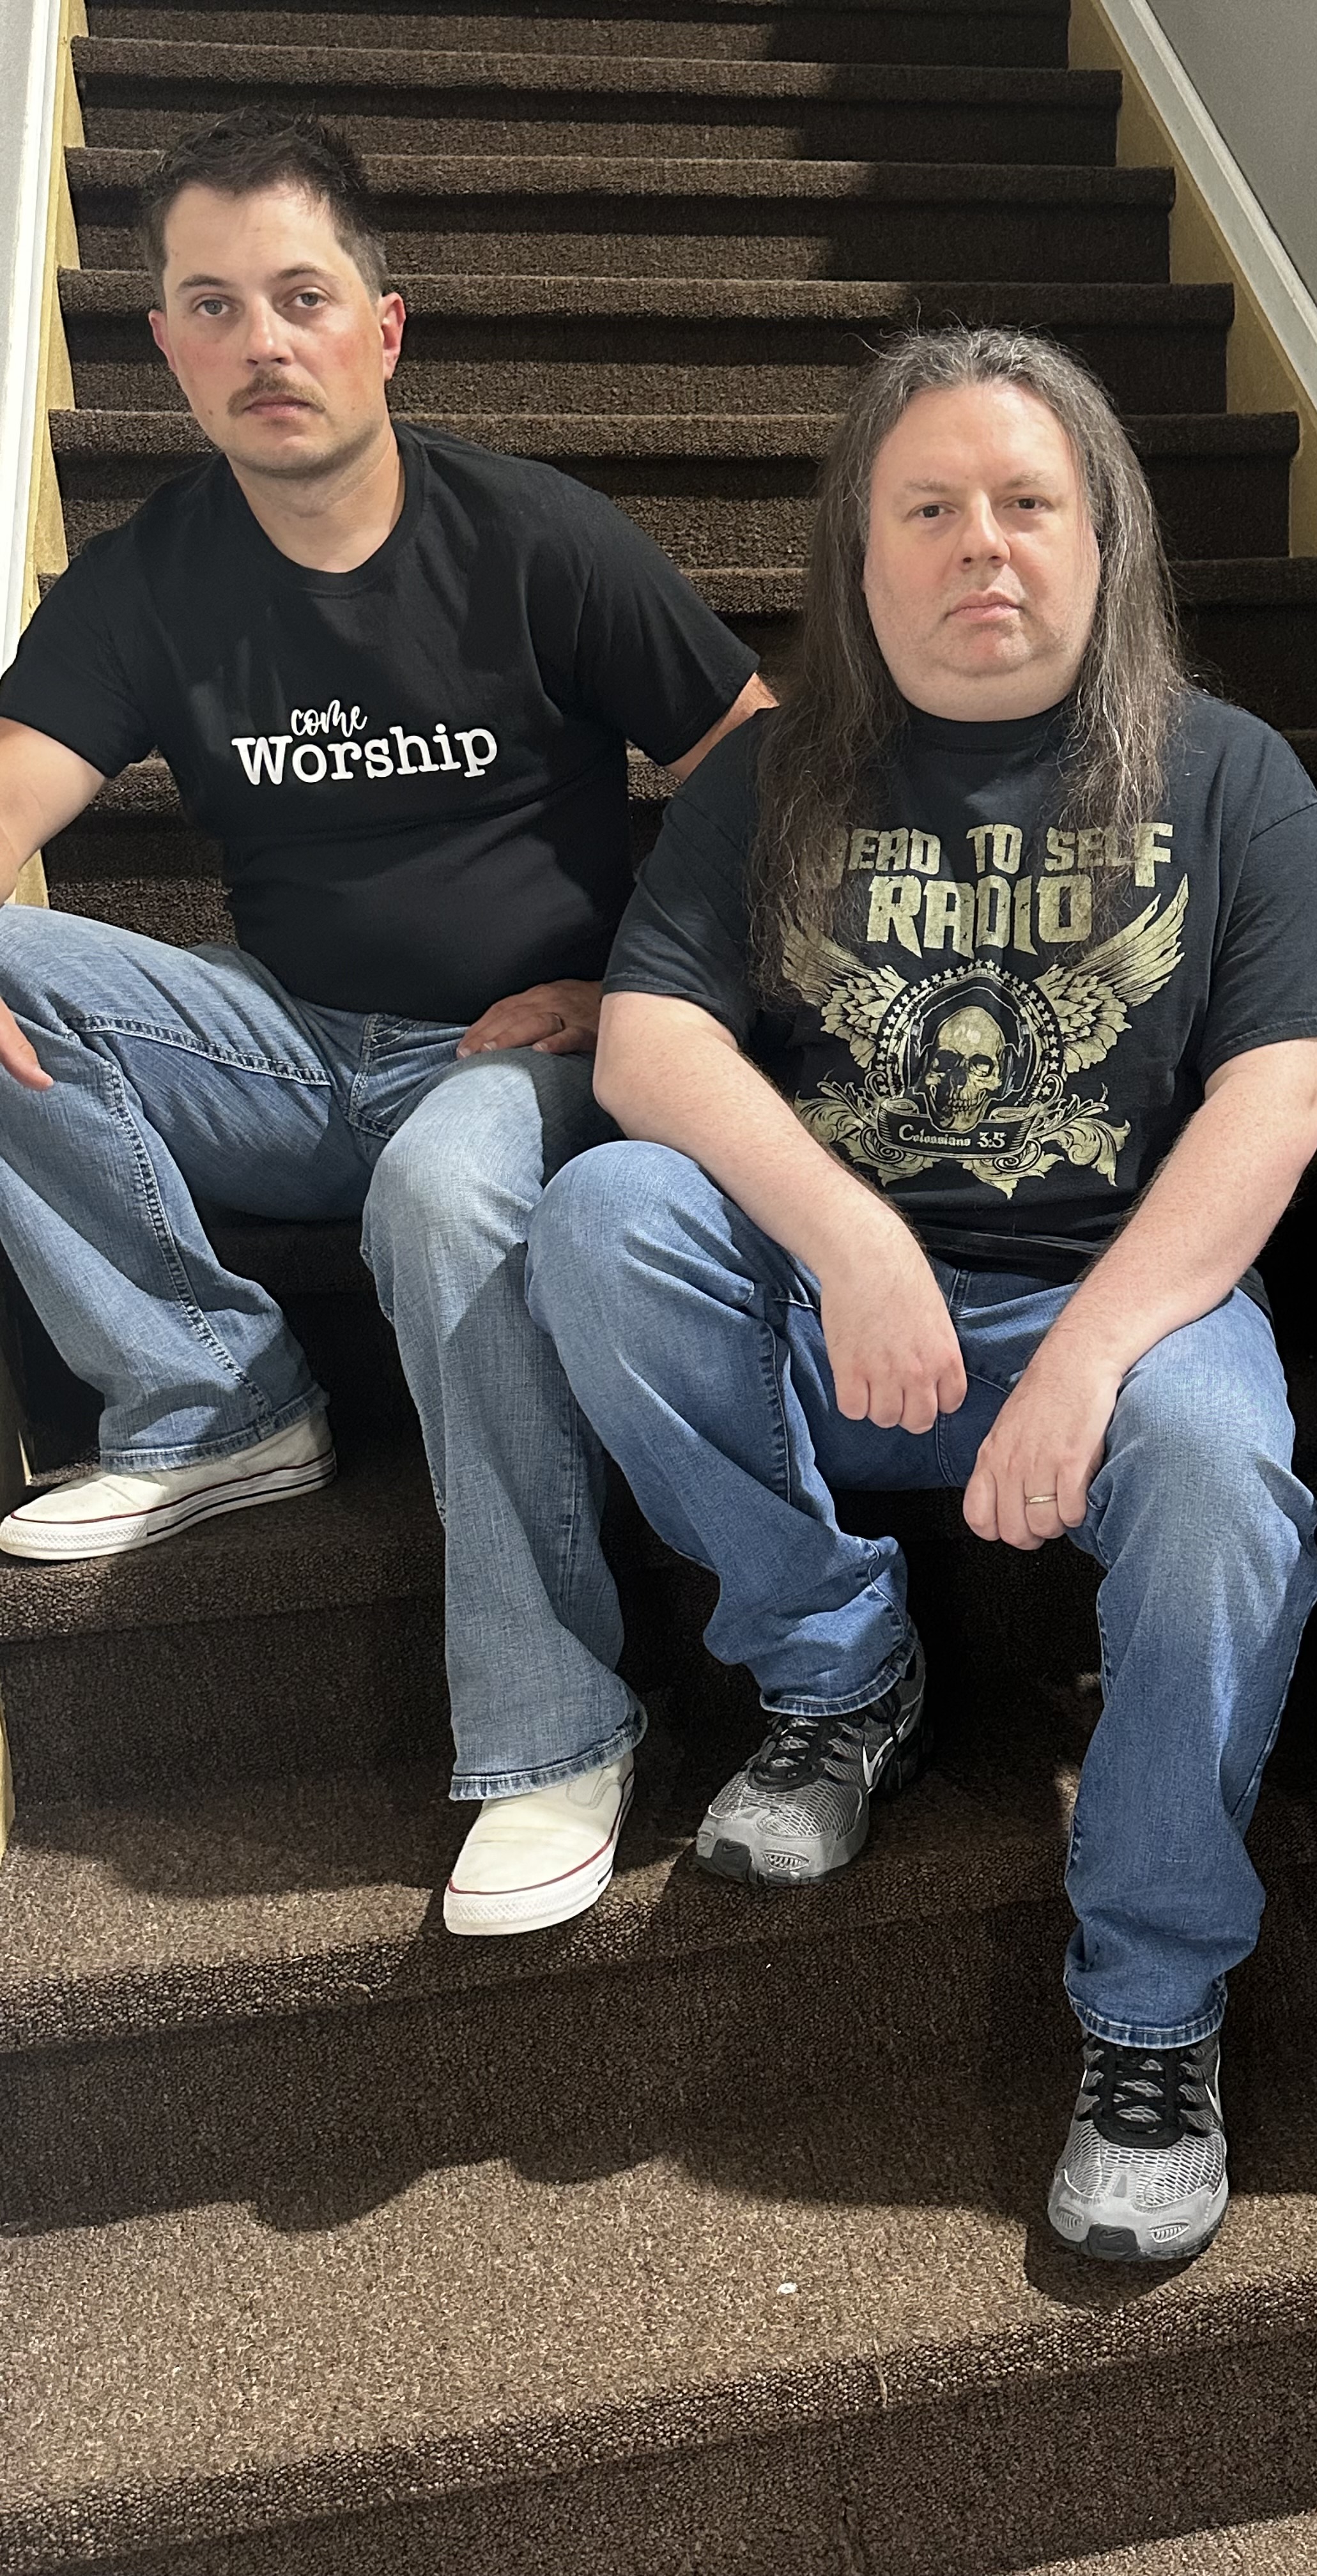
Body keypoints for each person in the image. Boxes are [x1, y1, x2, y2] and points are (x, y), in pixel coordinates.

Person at [524, 323, 1317, 2264]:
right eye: (928, 508)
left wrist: (1084, 1362)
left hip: (1127, 1304)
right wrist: (853, 1241)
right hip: (846, 1320)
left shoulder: (1230, 776)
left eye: (1025, 503)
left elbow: (1278, 1101)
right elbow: (649, 1049)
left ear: (1103, 541)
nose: (980, 544)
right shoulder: (773, 779)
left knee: (1227, 1482)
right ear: (862, 551)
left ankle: (1153, 2002)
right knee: (603, 1220)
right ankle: (840, 1665)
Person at [0, 110, 770, 1936]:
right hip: (289, 1045)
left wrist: (643, 986)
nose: (263, 342)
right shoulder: (148, 578)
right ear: (166, 346)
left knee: (440, 1189)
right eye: (213, 305)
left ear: (384, 326)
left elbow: (766, 775)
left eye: (302, 296)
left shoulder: (536, 538)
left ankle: (553, 1728)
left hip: (522, 1063)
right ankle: (216, 1392)